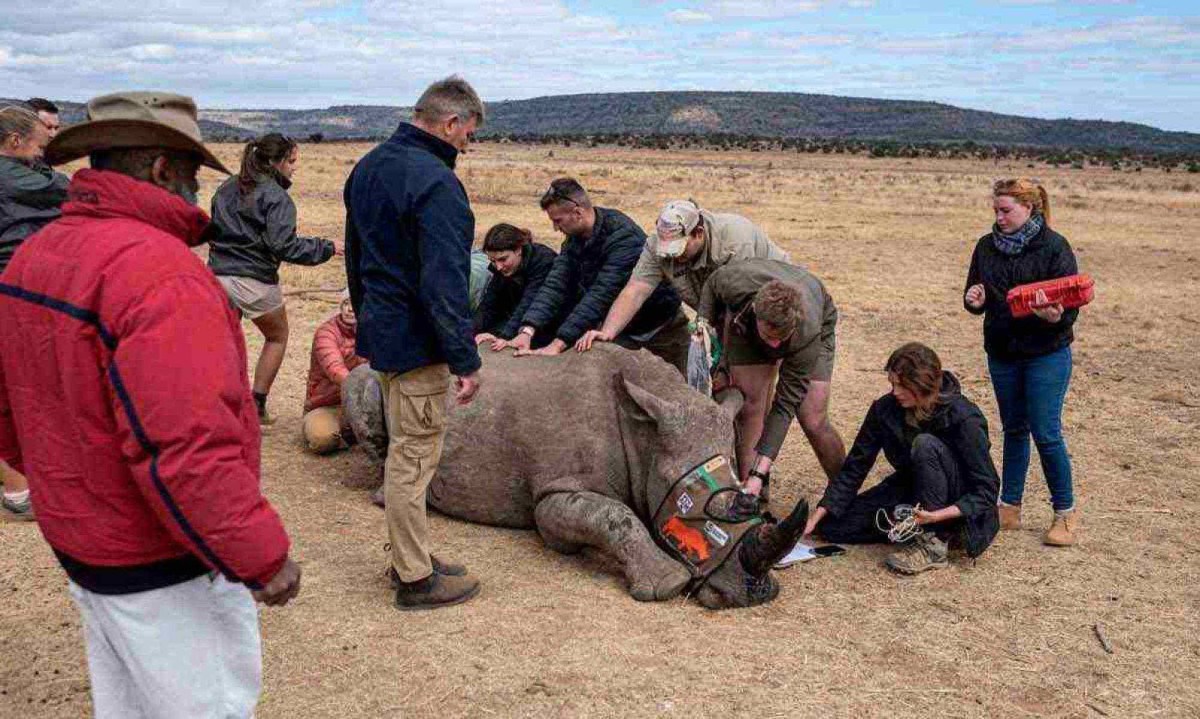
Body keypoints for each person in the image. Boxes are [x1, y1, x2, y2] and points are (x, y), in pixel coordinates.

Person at [0, 91, 300, 718]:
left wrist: (63, 486)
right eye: (191, 176)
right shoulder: (161, 276)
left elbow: (12, 405)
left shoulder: (35, 254)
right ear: (163, 170)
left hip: (84, 538)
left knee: (130, 704)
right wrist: (260, 555)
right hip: (159, 557)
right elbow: (188, 445)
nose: (195, 193)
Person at [344, 75, 484, 610]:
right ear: (451, 123)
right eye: (468, 136)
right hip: (417, 343)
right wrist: (464, 357)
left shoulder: (369, 166)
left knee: (407, 450)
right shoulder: (437, 183)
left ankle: (413, 554)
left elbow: (357, 257)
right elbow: (444, 280)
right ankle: (415, 579)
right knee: (413, 456)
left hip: (384, 334)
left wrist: (367, 319)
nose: (467, 148)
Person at [802, 343, 1001, 574]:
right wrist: (820, 513)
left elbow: (986, 489)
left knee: (925, 444)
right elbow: (855, 467)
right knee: (834, 527)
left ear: (923, 384)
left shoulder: (964, 418)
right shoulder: (885, 410)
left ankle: (934, 543)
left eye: (902, 385)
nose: (895, 392)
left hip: (957, 499)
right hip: (912, 488)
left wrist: (935, 517)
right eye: (892, 384)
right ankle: (910, 522)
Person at [964, 178, 1081, 546]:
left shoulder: (1054, 247)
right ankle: (1009, 506)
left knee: (1046, 433)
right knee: (1014, 429)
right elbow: (972, 295)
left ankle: (1065, 513)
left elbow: (1070, 306)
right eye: (995, 210)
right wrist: (974, 299)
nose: (998, 218)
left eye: (1006, 211)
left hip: (1046, 353)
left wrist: (1054, 317)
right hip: (1002, 352)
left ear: (1030, 208)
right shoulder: (986, 247)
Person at [208, 133, 338, 424]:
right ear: (275, 162)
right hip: (255, 281)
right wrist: (327, 248)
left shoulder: (225, 188)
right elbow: (284, 246)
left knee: (221, 343)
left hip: (216, 278)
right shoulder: (277, 198)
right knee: (277, 336)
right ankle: (257, 404)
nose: (295, 168)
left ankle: (214, 405)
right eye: (291, 161)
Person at [695, 259, 846, 508]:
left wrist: (761, 469)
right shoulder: (735, 283)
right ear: (756, 311)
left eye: (781, 339)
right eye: (770, 337)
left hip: (811, 325)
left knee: (812, 417)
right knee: (750, 406)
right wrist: (703, 327)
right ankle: (751, 495)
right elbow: (712, 284)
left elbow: (784, 406)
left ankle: (844, 494)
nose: (774, 349)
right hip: (747, 329)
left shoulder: (806, 333)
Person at [509, 178, 689, 373]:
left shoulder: (623, 237)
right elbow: (555, 285)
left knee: (674, 393)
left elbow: (601, 294)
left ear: (577, 213)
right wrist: (527, 330)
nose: (555, 228)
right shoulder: (574, 240)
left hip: (660, 331)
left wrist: (558, 344)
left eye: (557, 221)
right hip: (619, 330)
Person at [576, 199, 789, 351]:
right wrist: (607, 332)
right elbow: (636, 290)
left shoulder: (734, 242)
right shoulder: (656, 245)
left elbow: (736, 308)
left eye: (678, 250)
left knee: (751, 387)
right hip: (723, 315)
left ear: (698, 233)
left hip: (771, 311)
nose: (674, 258)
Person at [0, 104, 68, 275]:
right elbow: (62, 189)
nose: (41, 155)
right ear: (15, 140)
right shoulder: (11, 176)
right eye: (40, 148)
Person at [474, 222, 558, 350]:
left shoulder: (543, 262)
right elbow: (489, 304)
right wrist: (470, 333)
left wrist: (503, 336)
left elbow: (529, 302)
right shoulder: (501, 268)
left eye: (503, 259)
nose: (498, 267)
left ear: (518, 250)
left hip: (547, 323)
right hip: (518, 318)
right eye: (493, 261)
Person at [303, 290, 367, 454]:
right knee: (322, 439)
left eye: (354, 303)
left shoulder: (372, 330)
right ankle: (348, 433)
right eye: (346, 303)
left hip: (363, 404)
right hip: (327, 405)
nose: (350, 309)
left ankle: (354, 432)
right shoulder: (326, 333)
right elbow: (335, 370)